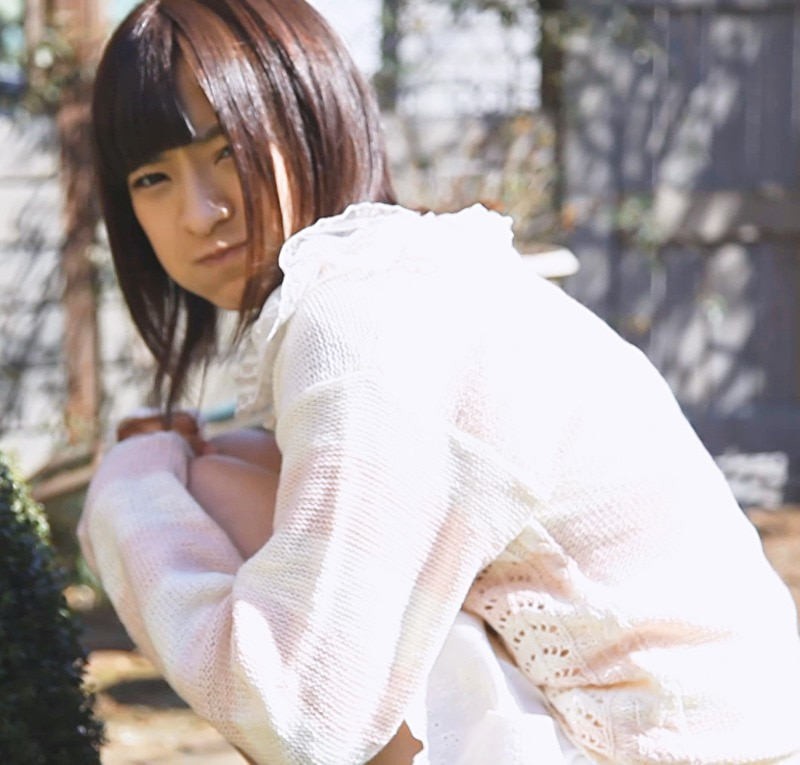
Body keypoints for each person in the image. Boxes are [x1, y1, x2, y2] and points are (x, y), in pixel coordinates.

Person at [78, 0, 800, 763]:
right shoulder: (401, 274)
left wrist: (128, 494)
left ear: (313, 115)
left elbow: (299, 715)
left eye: (227, 150)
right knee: (234, 462)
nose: (199, 212)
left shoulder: (360, 318)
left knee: (204, 485)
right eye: (153, 177)